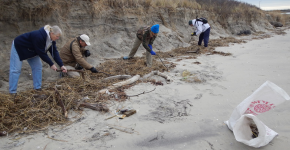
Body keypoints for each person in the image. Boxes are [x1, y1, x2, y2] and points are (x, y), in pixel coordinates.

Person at [9, 25, 67, 94]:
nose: (58, 38)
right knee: (16, 70)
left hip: (32, 50)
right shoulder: (39, 36)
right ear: (52, 33)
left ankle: (37, 88)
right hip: (19, 47)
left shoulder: (52, 40)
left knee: (38, 67)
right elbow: (41, 53)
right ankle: (12, 92)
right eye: (57, 36)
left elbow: (54, 52)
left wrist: (61, 65)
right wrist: (51, 64)